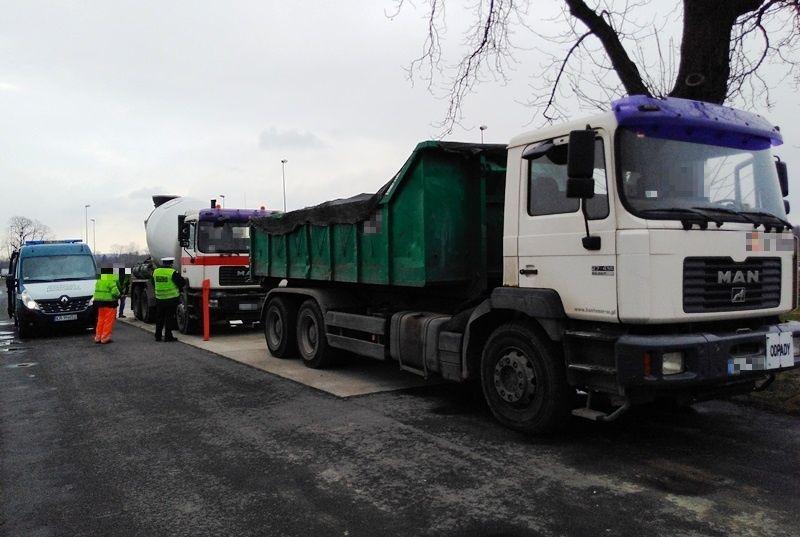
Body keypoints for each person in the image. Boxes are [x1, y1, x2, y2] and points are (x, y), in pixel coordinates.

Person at [153, 257, 184, 342]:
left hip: (159, 298)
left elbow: (153, 282)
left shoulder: (156, 271)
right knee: (169, 318)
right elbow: (182, 283)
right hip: (171, 299)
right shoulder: (172, 272)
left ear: (163, 263)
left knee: (159, 318)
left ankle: (158, 336)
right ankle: (168, 336)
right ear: (171, 264)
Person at [93, 266, 120, 344]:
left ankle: (98, 337)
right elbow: (115, 292)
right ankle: (105, 338)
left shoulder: (99, 280)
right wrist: (119, 295)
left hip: (99, 303)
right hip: (109, 304)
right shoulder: (111, 280)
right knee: (108, 321)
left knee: (100, 320)